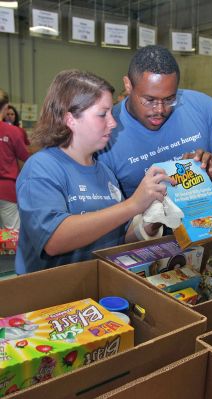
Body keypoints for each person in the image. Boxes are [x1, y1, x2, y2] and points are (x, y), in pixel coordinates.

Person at [15, 70, 172, 275]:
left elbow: (119, 234)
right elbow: (54, 240)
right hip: (50, 298)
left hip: (95, 289)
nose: (113, 123)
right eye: (102, 114)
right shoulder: (41, 168)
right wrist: (133, 205)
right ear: (70, 119)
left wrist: (151, 222)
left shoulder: (105, 172)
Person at [98, 45, 212, 199]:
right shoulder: (105, 129)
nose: (160, 110)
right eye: (149, 99)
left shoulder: (200, 106)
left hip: (203, 222)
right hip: (141, 226)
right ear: (128, 85)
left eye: (169, 99)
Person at [0, 89, 30, 230]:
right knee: (11, 236)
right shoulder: (13, 132)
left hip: (7, 190)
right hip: (6, 190)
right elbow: (26, 156)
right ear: (6, 108)